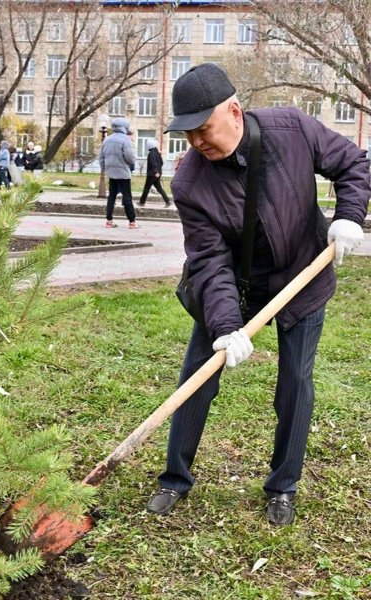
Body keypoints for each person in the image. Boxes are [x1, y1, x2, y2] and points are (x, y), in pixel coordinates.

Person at [146, 63, 368, 526]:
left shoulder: (292, 128)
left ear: (233, 110)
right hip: (236, 285)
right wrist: (226, 327)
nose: (197, 144)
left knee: (295, 385)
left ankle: (283, 487)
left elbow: (352, 164)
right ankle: (174, 479)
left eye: (203, 129)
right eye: (187, 135)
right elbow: (209, 261)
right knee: (197, 378)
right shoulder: (189, 183)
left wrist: (349, 215)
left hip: (301, 277)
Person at [100, 117, 138, 229]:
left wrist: (105, 168)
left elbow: (101, 157)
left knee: (111, 196)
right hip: (123, 173)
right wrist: (131, 163)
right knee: (127, 197)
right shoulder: (125, 140)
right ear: (125, 127)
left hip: (111, 173)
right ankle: (132, 221)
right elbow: (130, 157)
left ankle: (109, 220)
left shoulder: (107, 139)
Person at [138, 139, 171, 207]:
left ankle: (142, 202)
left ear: (150, 145)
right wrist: (158, 170)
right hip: (157, 174)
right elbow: (161, 163)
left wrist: (155, 171)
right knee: (159, 188)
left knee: (146, 188)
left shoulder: (151, 153)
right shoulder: (157, 153)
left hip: (152, 174)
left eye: (148, 144)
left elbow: (153, 163)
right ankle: (167, 202)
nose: (147, 146)